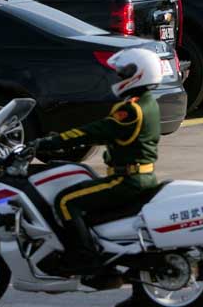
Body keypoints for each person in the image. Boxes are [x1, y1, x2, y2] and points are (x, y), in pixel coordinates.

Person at [31, 48, 163, 274]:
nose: (118, 78)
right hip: (139, 176)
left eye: (122, 74)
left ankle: (83, 257)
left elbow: (93, 132)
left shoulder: (131, 110)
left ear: (138, 74)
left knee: (65, 201)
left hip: (127, 180)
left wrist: (47, 143)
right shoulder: (147, 103)